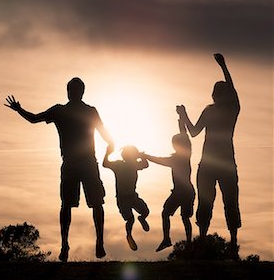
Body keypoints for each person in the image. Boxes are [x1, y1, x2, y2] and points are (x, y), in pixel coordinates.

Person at [5, 78, 114, 262]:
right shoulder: (75, 111)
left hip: (79, 163)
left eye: (73, 89)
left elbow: (34, 119)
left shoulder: (68, 111)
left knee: (81, 204)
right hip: (82, 163)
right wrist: (110, 150)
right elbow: (108, 138)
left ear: (73, 92)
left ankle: (89, 243)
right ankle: (76, 244)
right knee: (81, 204)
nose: (72, 92)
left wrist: (19, 109)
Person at [177, 53, 241, 259]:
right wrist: (184, 115)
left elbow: (232, 89)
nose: (214, 96)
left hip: (221, 164)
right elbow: (194, 132)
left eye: (217, 93)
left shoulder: (231, 109)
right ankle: (209, 242)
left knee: (226, 202)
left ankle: (230, 244)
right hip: (214, 164)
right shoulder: (216, 110)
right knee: (212, 202)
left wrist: (224, 66)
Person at [142, 114, 195, 252]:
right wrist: (181, 120)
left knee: (180, 217)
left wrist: (145, 156)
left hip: (183, 192)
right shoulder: (185, 155)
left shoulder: (179, 158)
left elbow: (160, 160)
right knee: (174, 215)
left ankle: (178, 241)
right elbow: (184, 136)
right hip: (182, 191)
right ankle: (171, 240)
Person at [103, 144, 150, 251]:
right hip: (122, 199)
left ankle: (142, 218)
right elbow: (105, 164)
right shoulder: (120, 165)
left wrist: (140, 156)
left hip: (133, 196)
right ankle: (129, 235)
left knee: (145, 211)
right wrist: (107, 153)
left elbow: (145, 164)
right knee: (130, 219)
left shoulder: (133, 165)